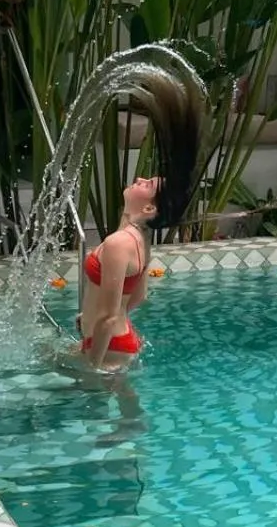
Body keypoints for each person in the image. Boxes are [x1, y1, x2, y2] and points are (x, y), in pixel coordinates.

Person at [79, 76, 202, 368]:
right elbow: (138, 296)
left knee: (100, 406)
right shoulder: (139, 240)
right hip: (115, 340)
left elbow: (110, 317)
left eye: (148, 184)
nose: (141, 179)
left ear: (148, 207)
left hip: (107, 345)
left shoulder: (119, 242)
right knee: (127, 412)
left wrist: (92, 365)